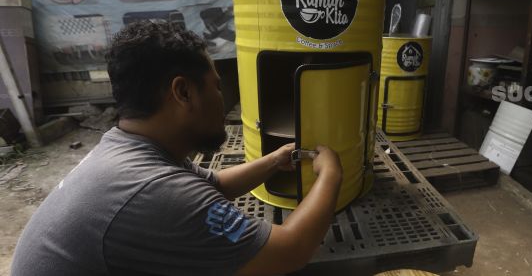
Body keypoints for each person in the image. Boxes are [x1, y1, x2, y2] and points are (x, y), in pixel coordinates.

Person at [11, 21, 343, 275]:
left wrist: (273, 160)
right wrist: (330, 175)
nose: (222, 97)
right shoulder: (155, 192)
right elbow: (291, 252)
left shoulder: (127, 148)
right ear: (182, 92)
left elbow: (214, 185)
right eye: (216, 86)